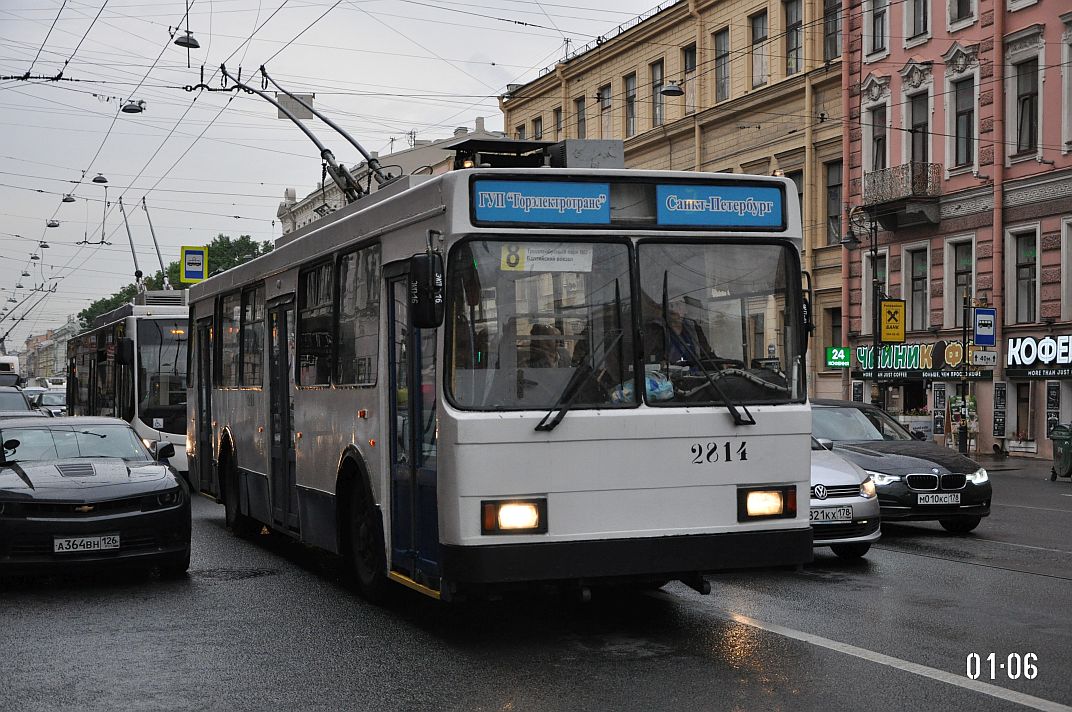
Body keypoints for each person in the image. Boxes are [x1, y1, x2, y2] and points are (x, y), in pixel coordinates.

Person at [644, 300, 715, 367]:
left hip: (696, 376)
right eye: (671, 305)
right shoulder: (655, 329)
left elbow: (706, 355)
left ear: (685, 309)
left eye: (678, 304)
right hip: (669, 377)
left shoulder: (694, 328)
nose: (674, 309)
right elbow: (650, 360)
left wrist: (721, 364)